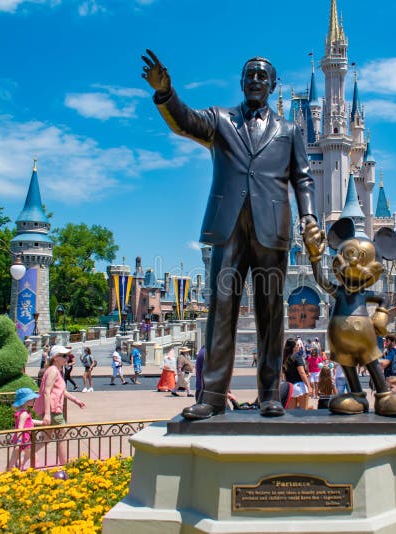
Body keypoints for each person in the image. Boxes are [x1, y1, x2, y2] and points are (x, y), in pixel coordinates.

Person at [142, 51, 321, 420]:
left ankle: (270, 394)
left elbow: (302, 178)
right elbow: (184, 122)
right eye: (249, 75)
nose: (255, 80)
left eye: (262, 75)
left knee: (271, 314)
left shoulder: (289, 132)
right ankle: (212, 396)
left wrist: (309, 217)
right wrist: (166, 94)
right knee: (222, 310)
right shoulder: (221, 120)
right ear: (242, 83)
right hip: (229, 229)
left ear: (273, 85)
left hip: (272, 232)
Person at [34, 345, 86, 475]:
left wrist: (76, 400)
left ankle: (25, 456)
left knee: (46, 439)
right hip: (53, 410)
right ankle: (64, 466)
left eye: (67, 356)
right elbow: (47, 392)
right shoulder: (52, 370)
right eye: (64, 356)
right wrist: (47, 414)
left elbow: (62, 391)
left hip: (54, 409)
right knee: (61, 438)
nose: (67, 358)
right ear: (55, 358)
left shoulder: (57, 370)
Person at [7, 387, 42, 470]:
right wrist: (19, 441)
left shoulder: (23, 413)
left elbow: (29, 421)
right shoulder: (23, 414)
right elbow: (20, 428)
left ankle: (9, 471)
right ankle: (35, 474)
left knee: (14, 459)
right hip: (24, 439)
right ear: (25, 401)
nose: (34, 400)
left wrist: (41, 422)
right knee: (34, 458)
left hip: (24, 439)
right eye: (31, 398)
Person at [282, 338, 310, 409]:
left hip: (290, 387)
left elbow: (283, 375)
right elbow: (302, 372)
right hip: (300, 386)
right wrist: (309, 386)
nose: (299, 346)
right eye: (297, 345)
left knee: (292, 413)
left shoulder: (284, 358)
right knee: (304, 412)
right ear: (293, 348)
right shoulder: (297, 357)